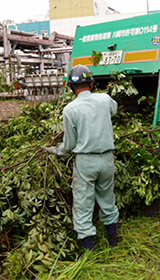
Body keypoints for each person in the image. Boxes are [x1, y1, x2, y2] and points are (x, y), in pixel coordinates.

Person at [43, 64, 119, 250]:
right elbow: (114, 111)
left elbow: (69, 144)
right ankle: (113, 243)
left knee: (83, 204)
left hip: (86, 161)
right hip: (107, 159)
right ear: (92, 84)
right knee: (108, 200)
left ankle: (89, 253)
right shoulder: (106, 100)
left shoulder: (70, 109)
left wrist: (56, 150)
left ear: (71, 87)